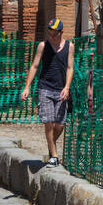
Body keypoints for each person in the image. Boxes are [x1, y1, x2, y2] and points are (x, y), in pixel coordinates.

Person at [19, 18, 74, 167]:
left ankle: (51, 146)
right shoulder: (43, 46)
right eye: (49, 32)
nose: (51, 35)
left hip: (61, 89)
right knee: (48, 122)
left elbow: (70, 68)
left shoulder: (70, 47)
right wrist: (27, 87)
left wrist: (67, 87)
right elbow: (35, 66)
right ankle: (54, 156)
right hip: (45, 87)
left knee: (60, 125)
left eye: (54, 33)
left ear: (61, 32)